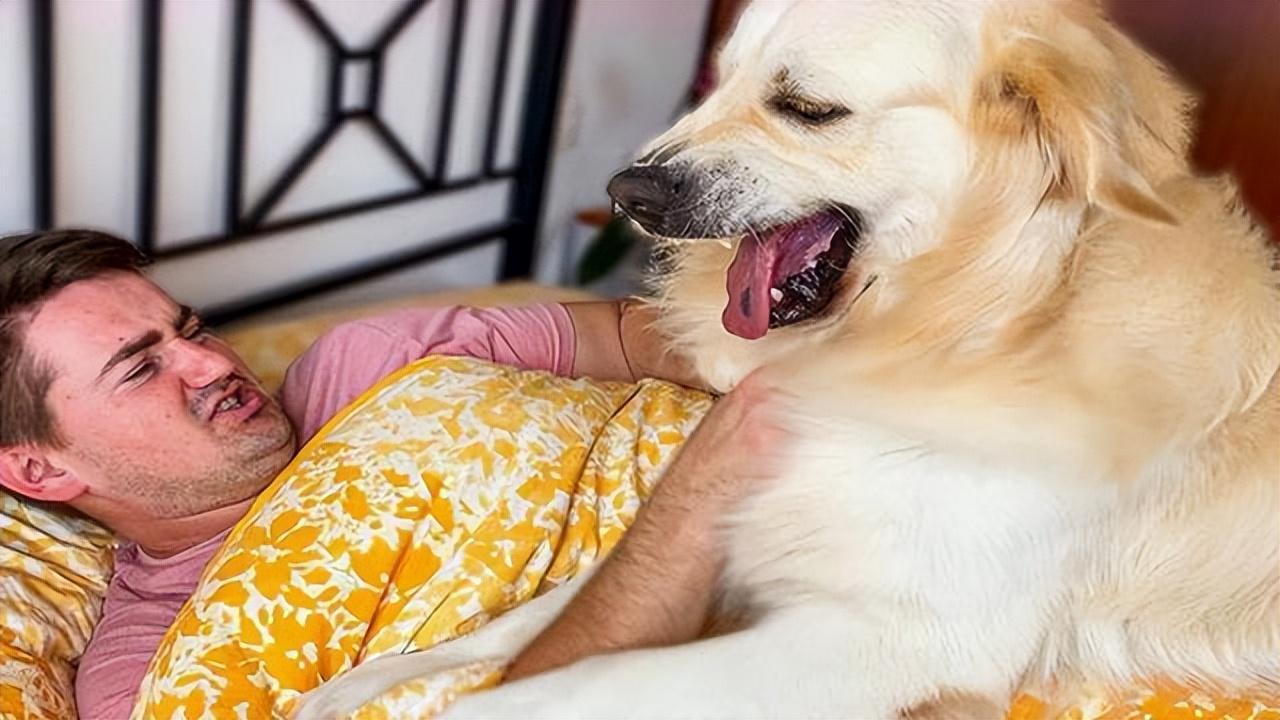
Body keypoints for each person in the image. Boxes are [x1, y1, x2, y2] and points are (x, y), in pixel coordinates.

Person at [0, 229, 785, 719]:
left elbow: (631, 334)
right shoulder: (154, 667)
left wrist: (786, 370)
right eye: (140, 369)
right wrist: (702, 499)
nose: (211, 365)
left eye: (193, 329)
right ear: (37, 469)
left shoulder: (366, 362)